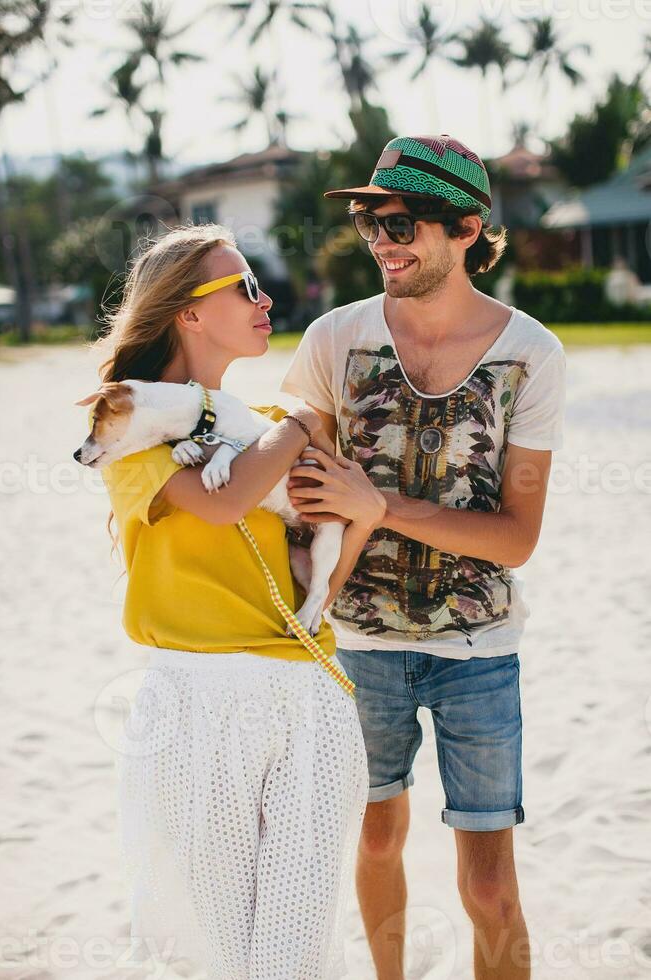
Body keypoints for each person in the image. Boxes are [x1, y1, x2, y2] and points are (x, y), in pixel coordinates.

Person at [280, 134, 566, 980]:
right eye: (370, 221)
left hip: (478, 649)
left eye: (399, 222)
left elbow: (514, 536)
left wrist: (382, 506)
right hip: (357, 645)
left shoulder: (532, 355)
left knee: (488, 890)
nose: (379, 240)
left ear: (467, 228)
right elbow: (305, 497)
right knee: (374, 837)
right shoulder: (334, 339)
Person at [90, 223, 386, 980]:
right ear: (187, 312)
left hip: (308, 696)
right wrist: (301, 425)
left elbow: (314, 590)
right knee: (217, 955)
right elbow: (222, 506)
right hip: (195, 706)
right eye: (243, 287)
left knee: (293, 955)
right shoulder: (130, 425)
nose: (264, 300)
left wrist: (367, 518)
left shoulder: (255, 428)